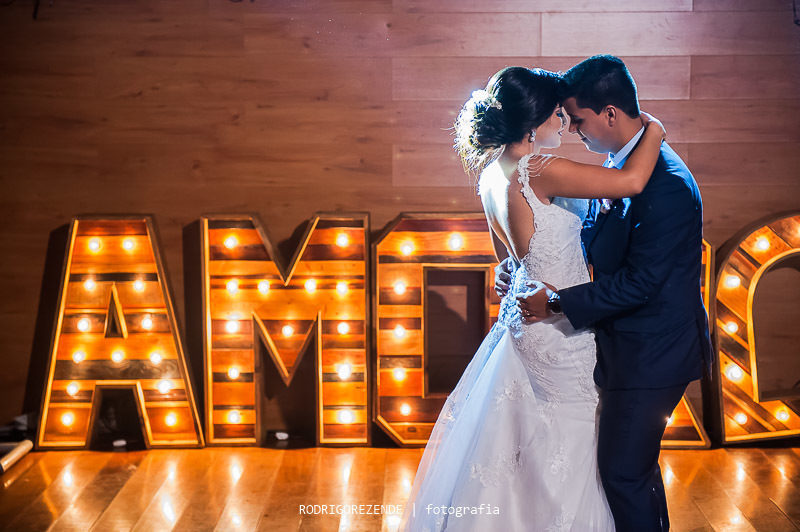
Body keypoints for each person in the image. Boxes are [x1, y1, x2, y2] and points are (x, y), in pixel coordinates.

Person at [398, 64, 666, 532]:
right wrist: (654, 127)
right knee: (573, 443)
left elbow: (505, 259)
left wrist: (509, 273)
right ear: (532, 123)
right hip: (562, 328)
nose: (564, 124)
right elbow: (631, 182)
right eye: (557, 116)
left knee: (529, 445)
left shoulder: (490, 176)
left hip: (523, 325)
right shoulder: (539, 170)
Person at [510, 55, 714, 532]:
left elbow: (643, 281)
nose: (575, 130)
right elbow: (587, 242)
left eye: (578, 120)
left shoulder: (664, 183)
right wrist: (522, 269)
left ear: (609, 114)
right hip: (625, 344)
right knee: (632, 473)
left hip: (652, 353)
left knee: (622, 473)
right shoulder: (621, 164)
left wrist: (559, 302)